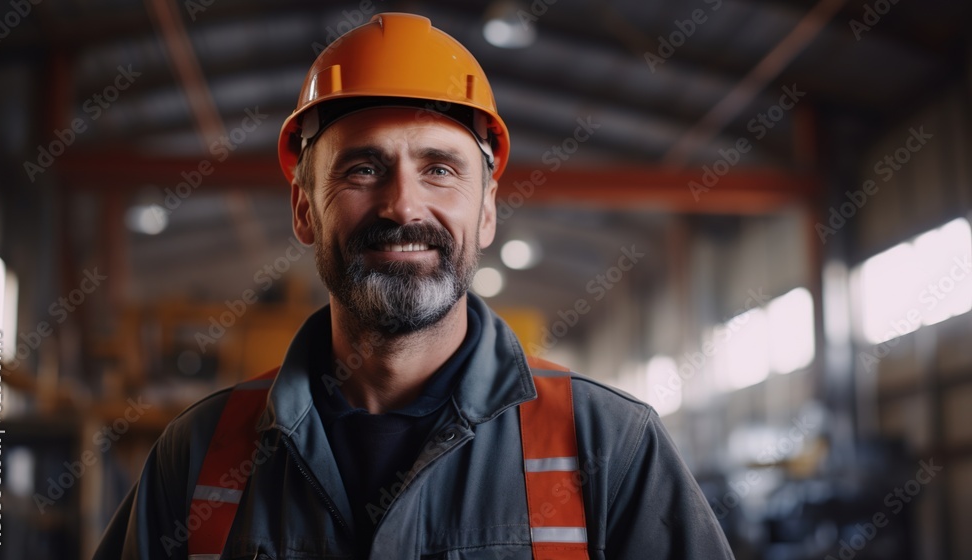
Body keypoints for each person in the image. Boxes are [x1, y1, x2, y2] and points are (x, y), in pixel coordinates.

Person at [94, 12, 734, 560]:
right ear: (303, 211)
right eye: (363, 168)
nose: (403, 206)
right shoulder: (199, 457)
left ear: (486, 213)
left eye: (439, 169)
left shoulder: (611, 449)